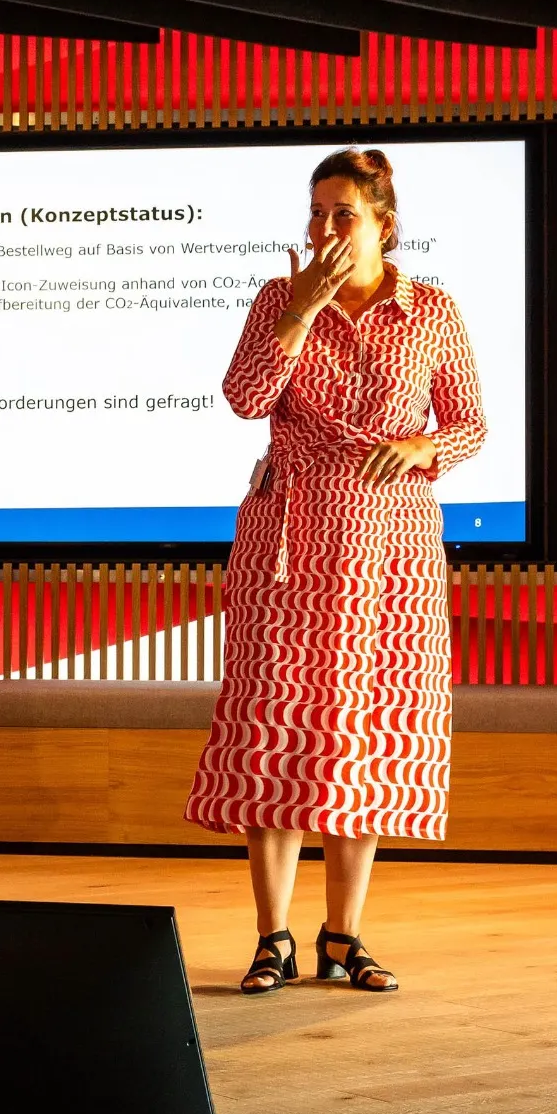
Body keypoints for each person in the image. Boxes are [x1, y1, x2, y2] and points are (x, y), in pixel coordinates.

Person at [185, 148, 486, 995]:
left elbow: (471, 426)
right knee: (275, 728)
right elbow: (245, 398)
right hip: (288, 545)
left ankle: (344, 937)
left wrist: (429, 444)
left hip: (390, 552)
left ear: (385, 224)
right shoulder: (279, 300)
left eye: (341, 215)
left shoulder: (432, 310)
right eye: (315, 212)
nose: (322, 229)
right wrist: (298, 317)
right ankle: (271, 937)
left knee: (363, 738)